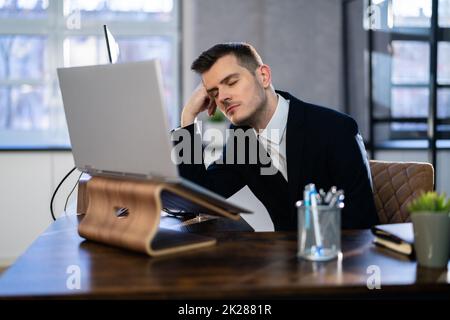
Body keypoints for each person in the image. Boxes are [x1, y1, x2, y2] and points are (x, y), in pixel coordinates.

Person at [171, 42, 379, 230]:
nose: (223, 97)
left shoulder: (336, 129)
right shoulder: (242, 140)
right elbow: (200, 198)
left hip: (339, 260)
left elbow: (362, 221)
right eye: (214, 93)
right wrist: (187, 119)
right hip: (282, 264)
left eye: (232, 82)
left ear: (263, 76)